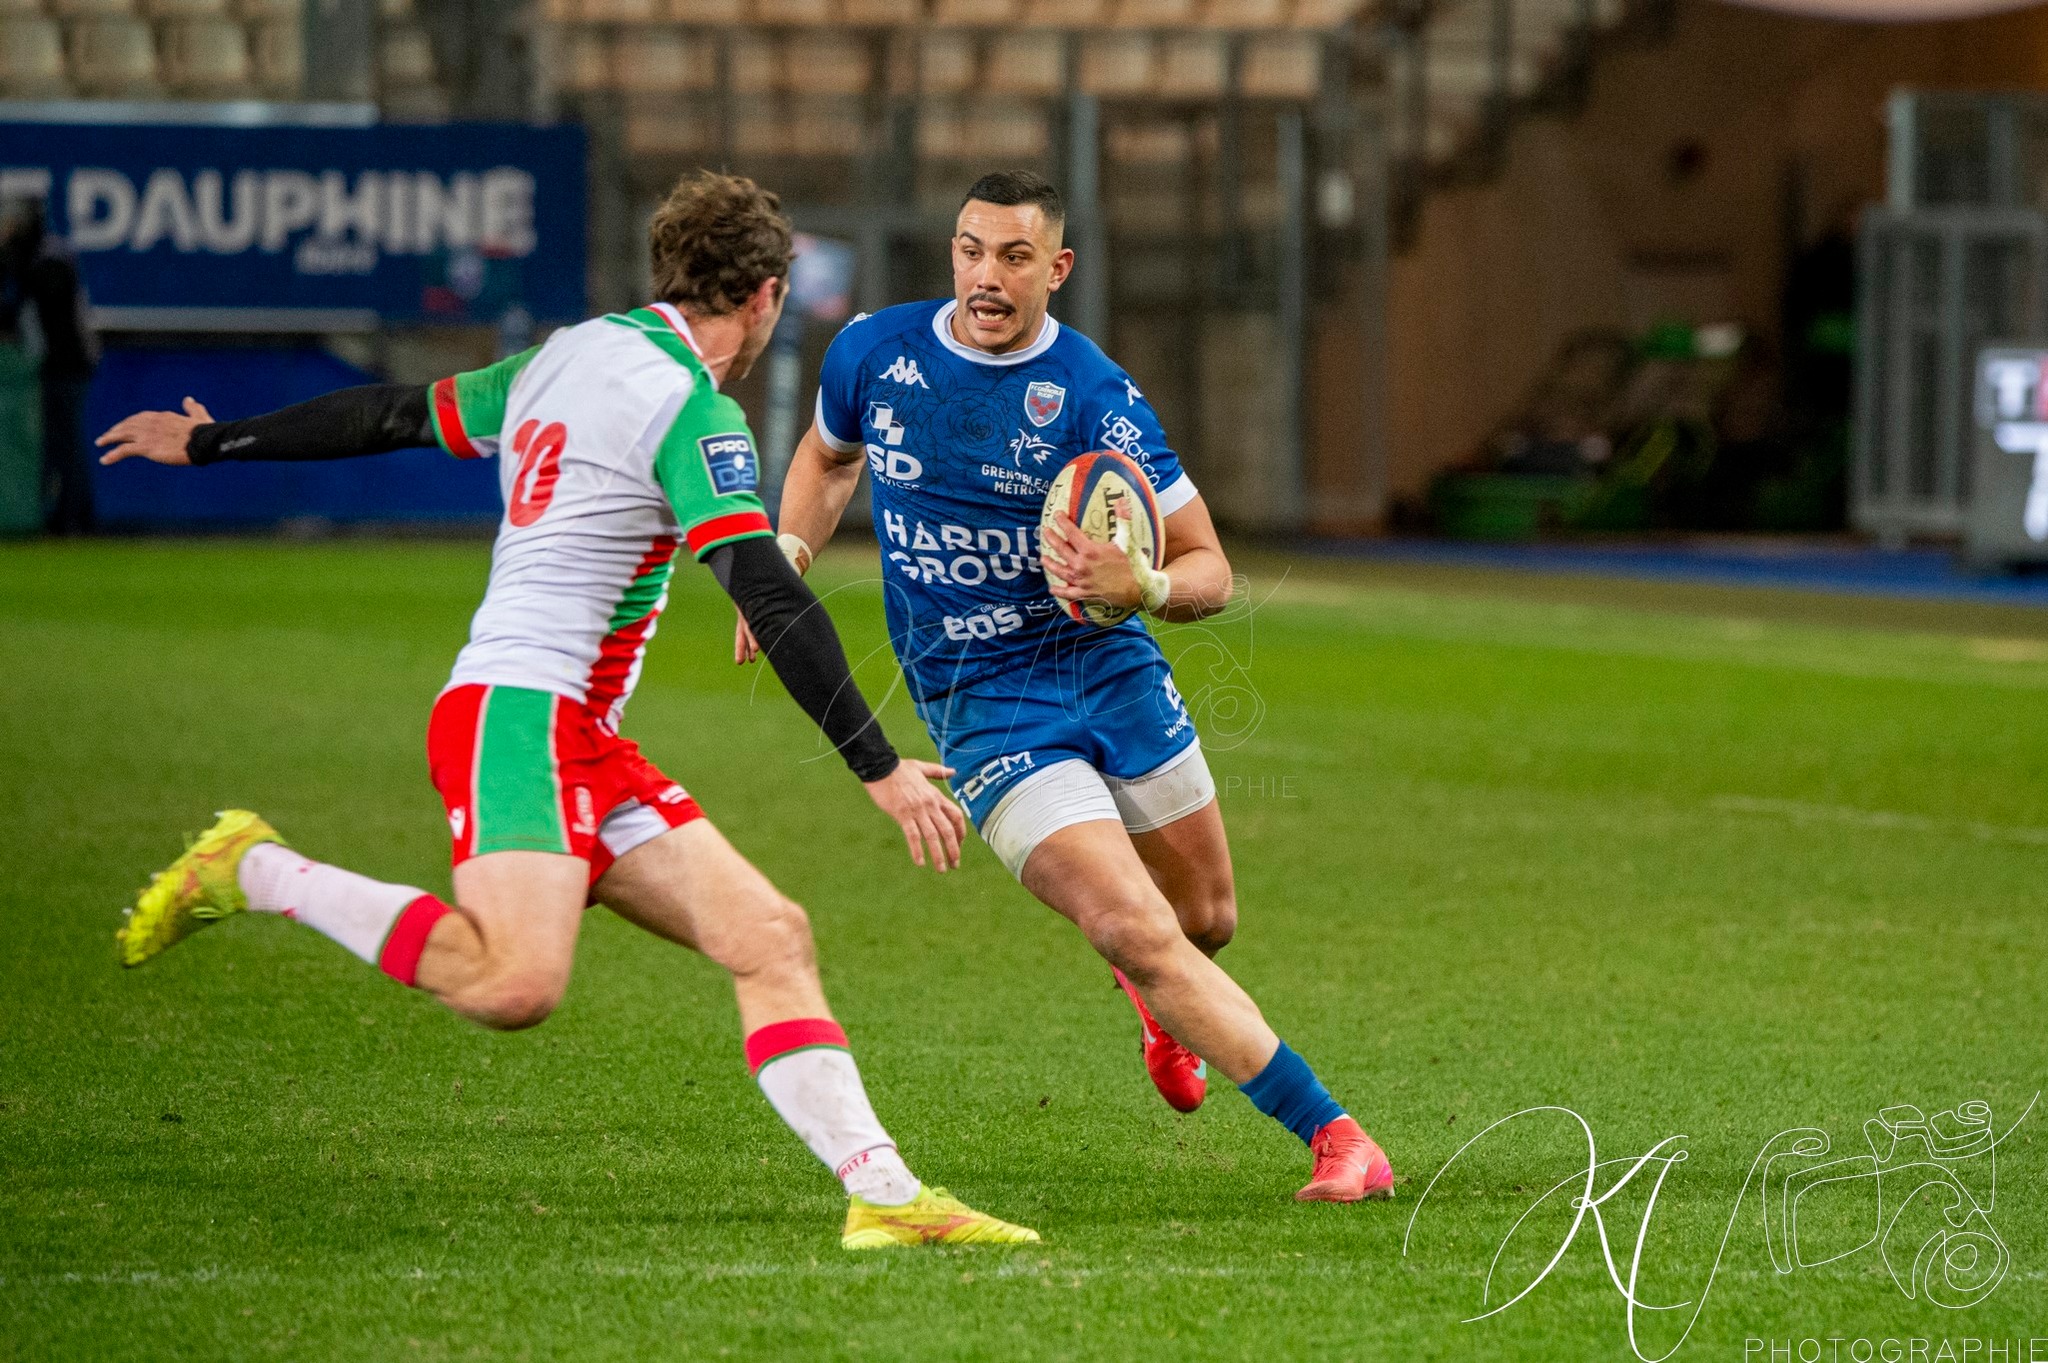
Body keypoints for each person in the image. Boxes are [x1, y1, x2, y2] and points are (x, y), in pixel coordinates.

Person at [96, 171, 1036, 1251]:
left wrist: (216, 442)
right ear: (768, 296)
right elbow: (763, 586)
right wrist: (877, 765)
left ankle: (883, 1195)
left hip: (573, 732)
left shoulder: (568, 354)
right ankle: (254, 868)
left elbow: (398, 412)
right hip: (516, 717)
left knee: (769, 935)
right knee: (514, 983)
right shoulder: (693, 407)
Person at [741, 171, 1393, 1203]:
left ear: (1057, 267)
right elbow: (828, 459)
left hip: (1110, 670)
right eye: (967, 250)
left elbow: (1210, 564)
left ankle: (1154, 998)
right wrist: (782, 552)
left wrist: (1144, 584)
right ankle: (1335, 1137)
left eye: (1010, 257)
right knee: (1134, 928)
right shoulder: (874, 353)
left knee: (1204, 920)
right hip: (984, 704)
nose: (983, 278)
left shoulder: (1092, 394)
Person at [1, 193, 99, 534]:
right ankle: (61, 513)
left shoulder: (49, 256)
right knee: (55, 443)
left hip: (68, 364)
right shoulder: (37, 254)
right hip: (54, 364)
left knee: (66, 442)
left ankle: (75, 518)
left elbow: (34, 301)